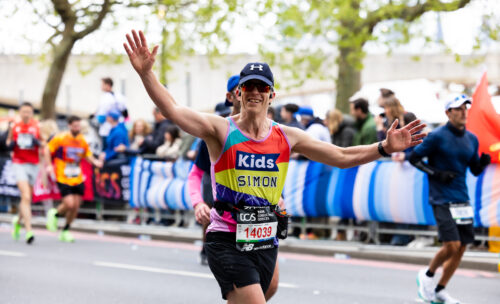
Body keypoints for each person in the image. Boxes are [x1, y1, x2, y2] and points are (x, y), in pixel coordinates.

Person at [123, 30, 425, 303]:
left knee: (267, 291)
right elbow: (173, 110)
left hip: (265, 237)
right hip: (226, 237)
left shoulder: (286, 136)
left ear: (272, 94)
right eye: (249, 87)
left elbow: (342, 156)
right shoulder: (220, 130)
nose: (255, 92)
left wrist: (384, 147)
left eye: (261, 87)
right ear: (239, 93)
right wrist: (147, 75)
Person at [410, 94, 491, 304]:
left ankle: (440, 289)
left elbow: (473, 170)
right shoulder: (437, 136)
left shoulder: (472, 139)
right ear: (448, 113)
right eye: (458, 109)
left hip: (461, 198)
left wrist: (482, 164)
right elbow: (414, 158)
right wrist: (436, 173)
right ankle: (427, 276)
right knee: (452, 245)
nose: (464, 112)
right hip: (441, 197)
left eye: (466, 108)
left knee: (462, 246)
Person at [188, 100, 232, 266]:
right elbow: (197, 171)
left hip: (231, 182)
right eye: (221, 115)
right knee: (209, 216)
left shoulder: (238, 134)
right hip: (211, 179)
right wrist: (198, 202)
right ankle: (206, 249)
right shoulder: (207, 138)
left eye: (226, 115)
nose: (224, 118)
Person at [45, 116, 102, 242]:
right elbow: (47, 149)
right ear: (69, 125)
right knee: (69, 204)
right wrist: (49, 166)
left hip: (77, 176)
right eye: (75, 126)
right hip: (63, 175)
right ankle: (54, 214)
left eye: (79, 126)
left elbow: (87, 154)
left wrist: (95, 162)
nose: (77, 128)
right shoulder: (61, 137)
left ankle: (66, 230)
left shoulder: (82, 139)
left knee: (76, 206)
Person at [8, 102, 42, 244]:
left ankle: (18, 222)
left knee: (27, 200)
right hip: (19, 163)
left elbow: (45, 143)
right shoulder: (15, 126)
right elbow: (8, 141)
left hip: (33, 164)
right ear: (20, 112)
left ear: (32, 113)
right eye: (23, 111)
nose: (26, 114)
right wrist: (11, 144)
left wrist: (37, 142)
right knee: (26, 195)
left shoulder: (37, 126)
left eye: (29, 111)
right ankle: (29, 230)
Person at [95, 77, 127, 148]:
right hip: (119, 127)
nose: (101, 87)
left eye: (102, 84)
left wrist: (96, 118)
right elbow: (125, 112)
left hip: (106, 129)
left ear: (108, 85)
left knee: (107, 149)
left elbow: (101, 116)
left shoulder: (105, 98)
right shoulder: (119, 96)